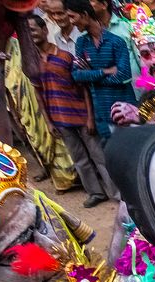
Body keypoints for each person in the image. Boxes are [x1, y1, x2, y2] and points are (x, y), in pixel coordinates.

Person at [28, 13, 119, 207]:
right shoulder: (33, 64)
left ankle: (117, 193)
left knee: (99, 156)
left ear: (45, 30)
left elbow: (83, 86)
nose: (32, 34)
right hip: (59, 119)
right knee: (79, 159)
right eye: (28, 32)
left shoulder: (65, 57)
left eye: (34, 29)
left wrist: (90, 117)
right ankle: (96, 193)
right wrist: (48, 121)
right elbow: (38, 94)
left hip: (81, 115)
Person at [66, 0, 136, 143]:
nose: (71, 22)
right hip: (101, 114)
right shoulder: (81, 43)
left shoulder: (116, 42)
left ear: (85, 15)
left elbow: (124, 76)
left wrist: (90, 75)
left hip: (124, 110)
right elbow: (76, 75)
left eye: (73, 16)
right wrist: (105, 71)